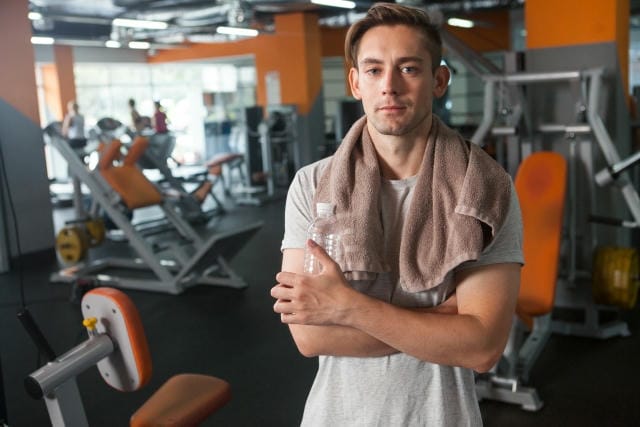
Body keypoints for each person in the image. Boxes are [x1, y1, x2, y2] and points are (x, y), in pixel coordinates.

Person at [270, 3, 523, 426]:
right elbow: (310, 336)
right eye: (373, 70)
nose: (389, 86)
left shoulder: (486, 189)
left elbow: (482, 348)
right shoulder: (312, 186)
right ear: (356, 82)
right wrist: (444, 320)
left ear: (438, 80)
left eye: (408, 68)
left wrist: (346, 307)